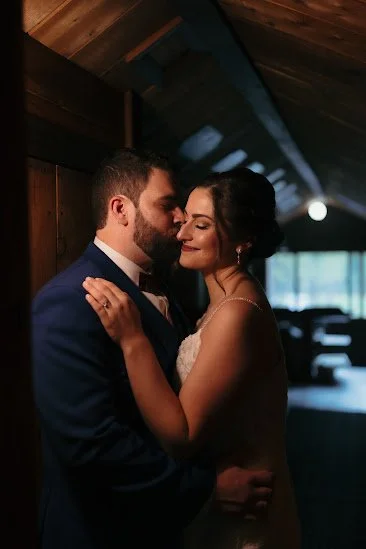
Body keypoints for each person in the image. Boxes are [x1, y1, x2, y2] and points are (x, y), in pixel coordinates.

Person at [32, 149, 274, 549]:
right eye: (168, 205)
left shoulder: (164, 290)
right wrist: (206, 488)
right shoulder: (68, 302)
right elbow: (91, 445)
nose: (180, 218)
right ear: (121, 209)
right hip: (99, 533)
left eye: (193, 216)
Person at [82, 166, 302, 549]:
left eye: (200, 225)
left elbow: (182, 436)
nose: (181, 232)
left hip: (242, 521)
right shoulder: (223, 303)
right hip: (214, 507)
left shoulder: (238, 312)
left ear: (242, 240)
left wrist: (133, 340)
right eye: (185, 218)